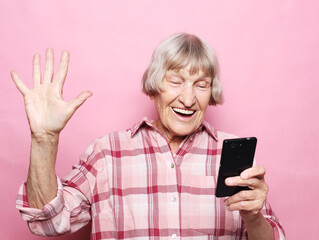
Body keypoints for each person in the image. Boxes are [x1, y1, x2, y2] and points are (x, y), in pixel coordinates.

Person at [13, 33, 285, 240]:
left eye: (201, 85)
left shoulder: (232, 154)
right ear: (154, 85)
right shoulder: (107, 153)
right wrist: (44, 140)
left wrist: (253, 216)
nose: (189, 99)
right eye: (176, 81)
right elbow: (47, 222)